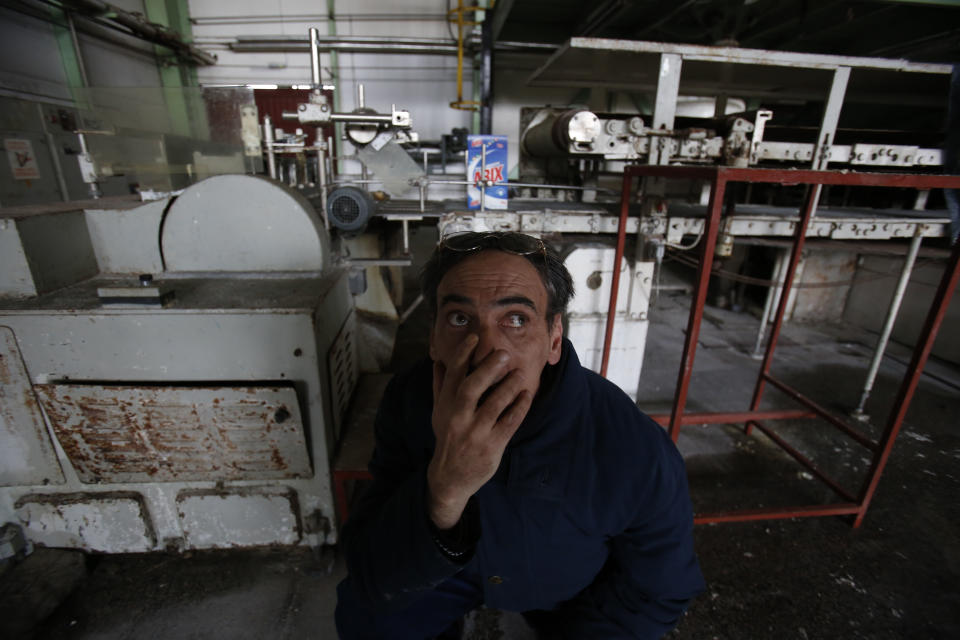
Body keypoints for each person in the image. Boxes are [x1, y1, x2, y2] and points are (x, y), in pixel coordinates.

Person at [336, 231, 705, 639]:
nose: (485, 351)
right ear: (434, 340)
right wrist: (444, 490)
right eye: (460, 318)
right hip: (451, 573)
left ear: (554, 340)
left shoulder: (631, 446)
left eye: (515, 319)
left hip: (569, 586)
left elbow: (659, 590)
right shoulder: (408, 402)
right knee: (365, 618)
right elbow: (370, 569)